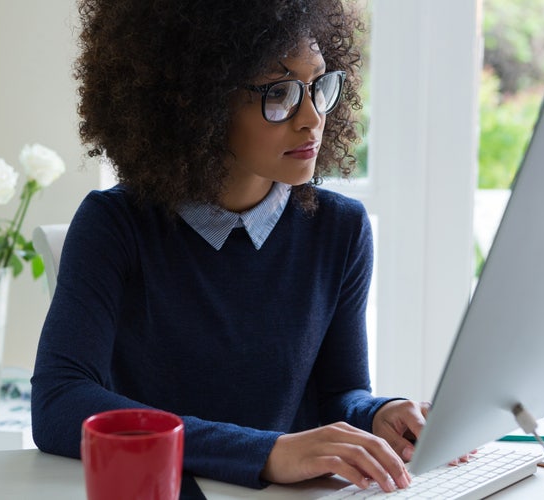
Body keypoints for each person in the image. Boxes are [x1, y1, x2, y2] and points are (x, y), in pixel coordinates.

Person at [31, 0, 431, 494]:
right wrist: (265, 452)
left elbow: (337, 392)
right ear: (197, 100)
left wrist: (377, 414)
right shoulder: (115, 225)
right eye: (279, 92)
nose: (311, 118)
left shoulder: (340, 229)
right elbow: (58, 402)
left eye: (319, 86)